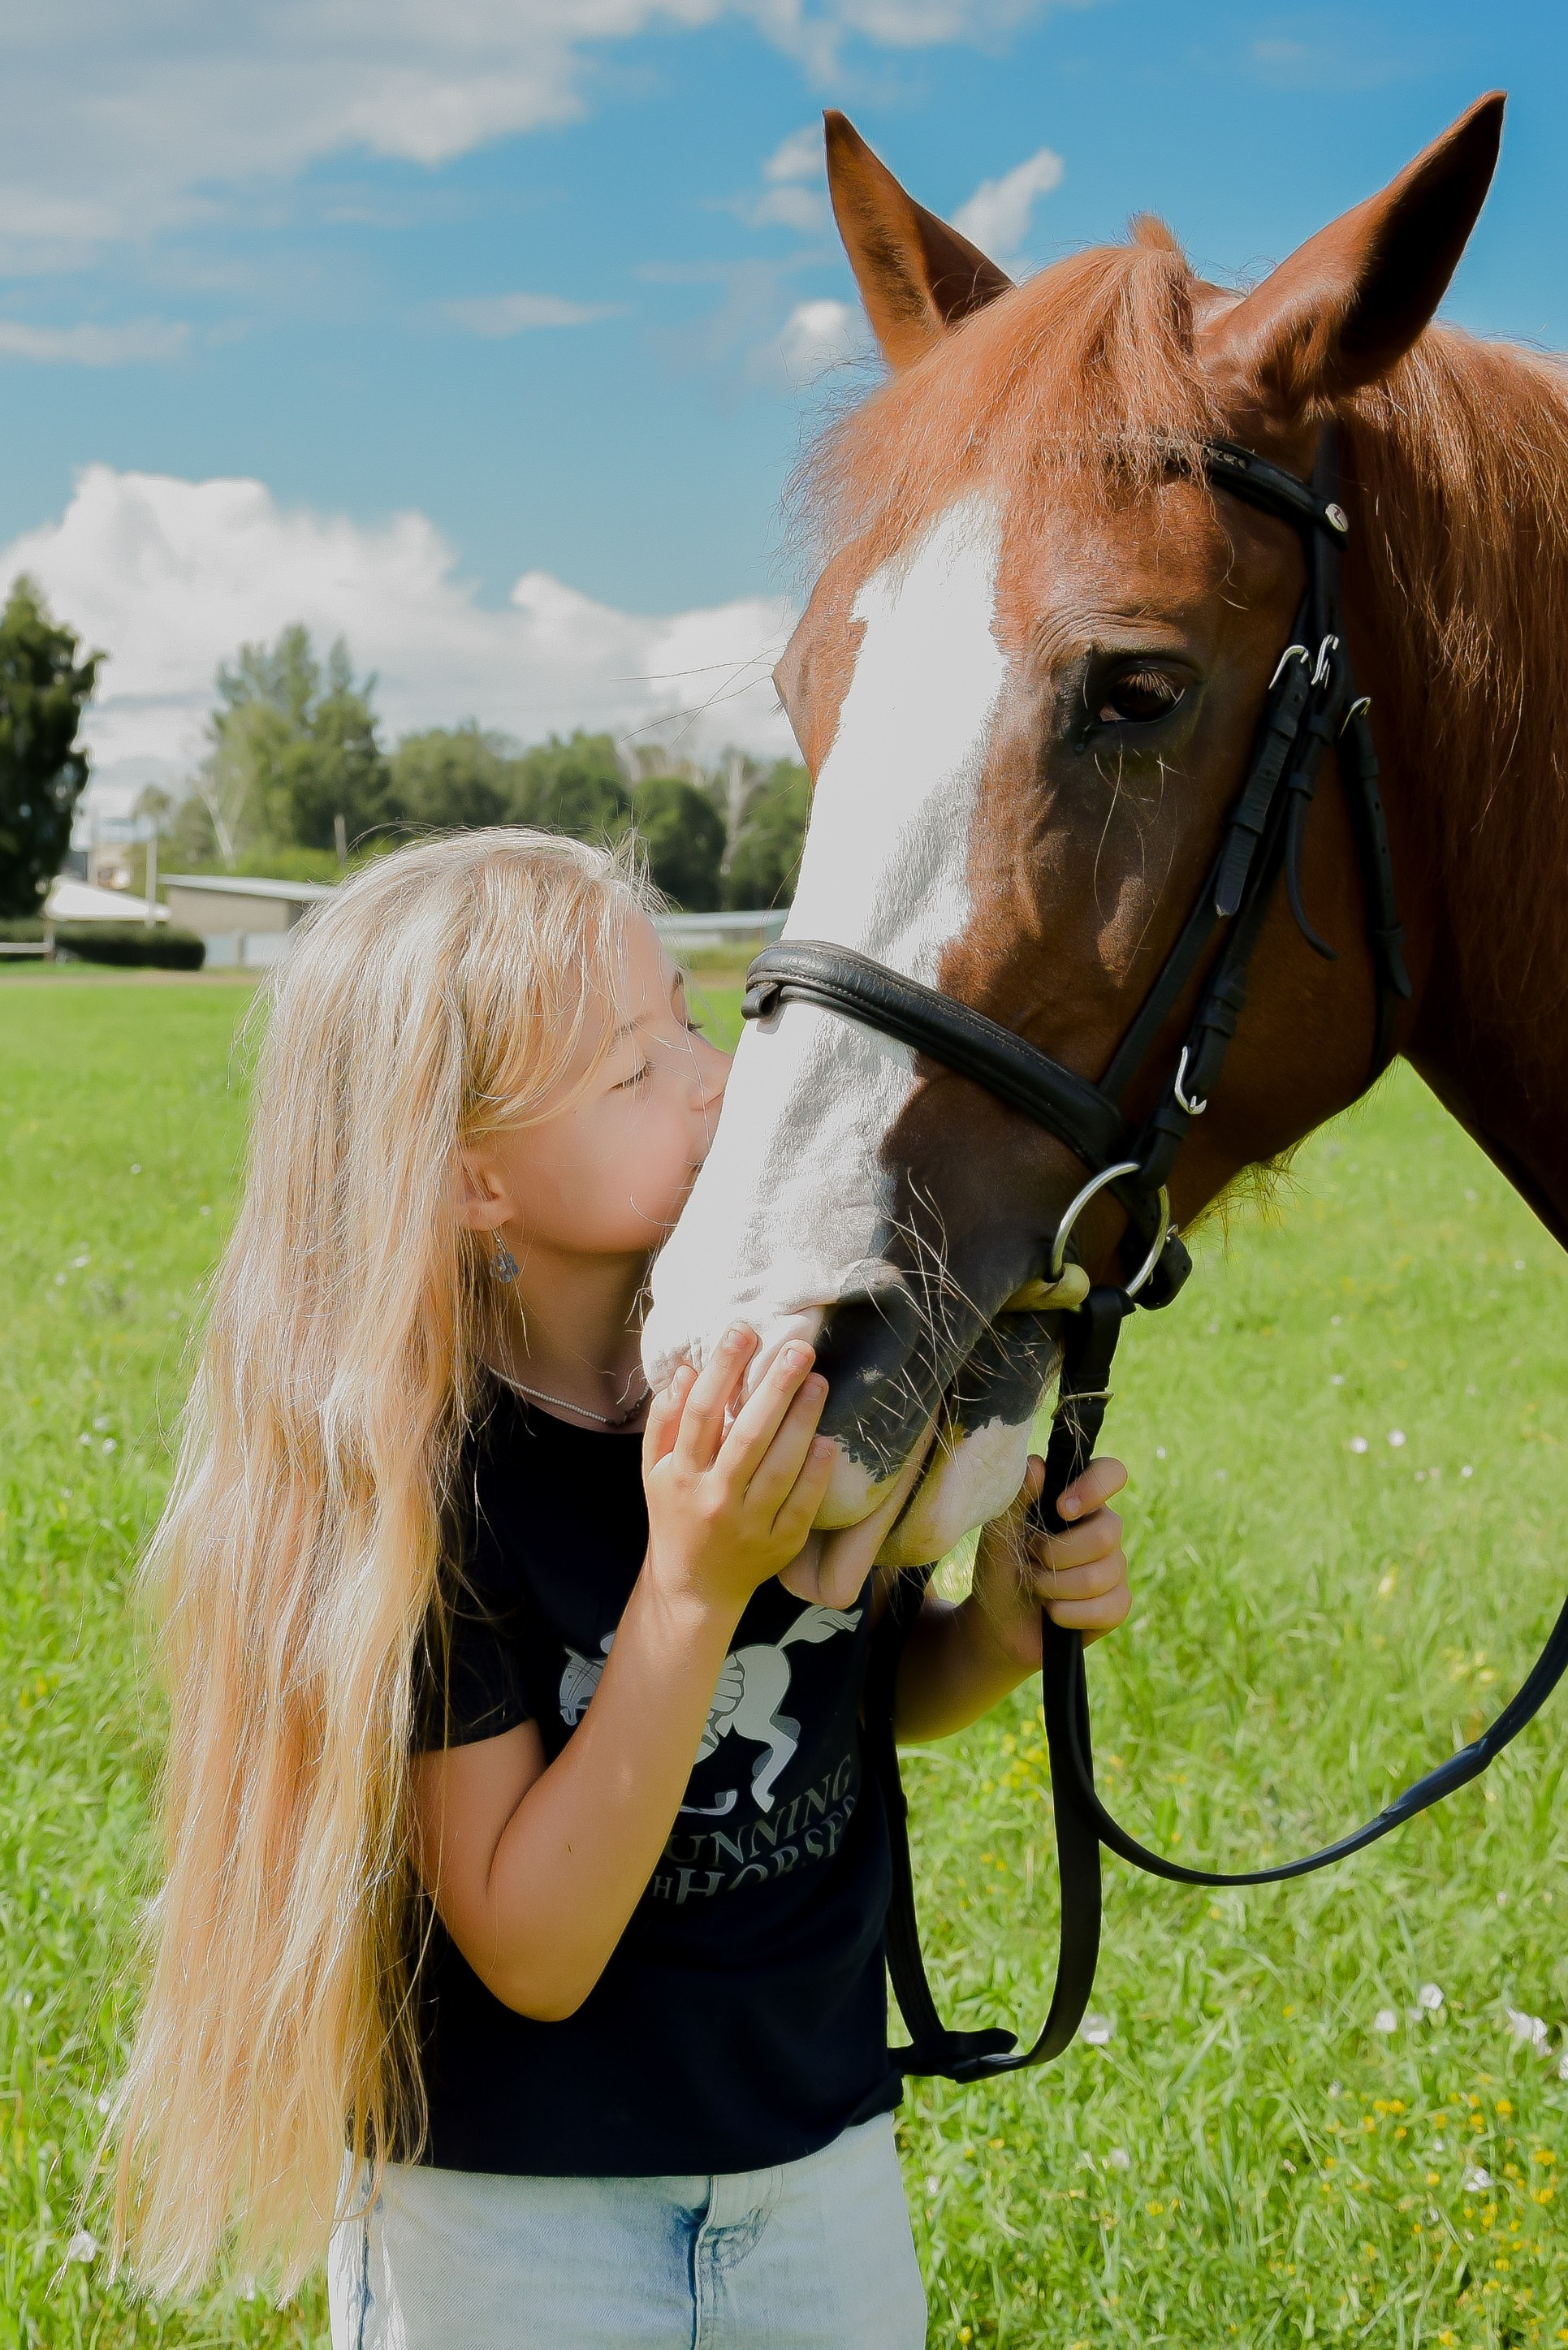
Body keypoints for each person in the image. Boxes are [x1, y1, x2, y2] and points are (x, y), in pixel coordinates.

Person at [111, 829, 1131, 2348]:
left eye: (689, 1018)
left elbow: (846, 1707)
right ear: (473, 1179)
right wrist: (687, 1590)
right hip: (518, 2227)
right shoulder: (424, 1492)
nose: (714, 1079)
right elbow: (532, 1946)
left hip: (818, 2164)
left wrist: (996, 1624)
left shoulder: (759, 1377)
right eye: (630, 1072)